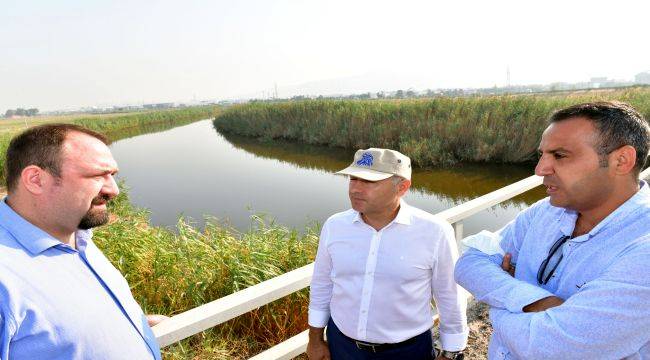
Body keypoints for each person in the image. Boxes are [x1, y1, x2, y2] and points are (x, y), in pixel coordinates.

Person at [454, 101, 650, 359]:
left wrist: (497, 298)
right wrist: (534, 301)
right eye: (542, 155)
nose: (540, 170)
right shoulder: (546, 211)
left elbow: (549, 348)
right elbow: (470, 262)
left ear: (621, 160)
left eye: (560, 156)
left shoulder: (642, 248)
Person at [0, 124, 165, 359]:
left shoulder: (76, 234)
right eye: (98, 175)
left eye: (112, 175)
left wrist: (131, 326)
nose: (114, 190)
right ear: (36, 180)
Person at [307, 148, 468, 360]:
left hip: (407, 352)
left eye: (368, 181)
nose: (355, 188)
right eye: (353, 178)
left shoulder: (434, 232)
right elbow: (322, 285)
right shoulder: (335, 226)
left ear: (402, 187)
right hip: (342, 347)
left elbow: (449, 297)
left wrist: (450, 352)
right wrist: (315, 340)